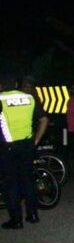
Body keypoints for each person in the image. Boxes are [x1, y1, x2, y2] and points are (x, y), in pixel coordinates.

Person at [0, 75, 49, 230]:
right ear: (16, 83)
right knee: (28, 180)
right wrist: (35, 140)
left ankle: (16, 220)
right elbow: (44, 119)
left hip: (7, 146)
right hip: (27, 145)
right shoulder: (29, 98)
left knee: (11, 183)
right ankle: (32, 215)